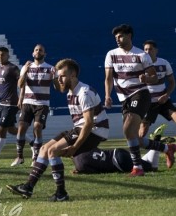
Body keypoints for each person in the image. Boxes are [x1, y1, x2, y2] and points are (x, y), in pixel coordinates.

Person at [6, 58, 109, 201]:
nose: (59, 79)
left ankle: (61, 193)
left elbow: (89, 123)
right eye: (58, 76)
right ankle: (28, 187)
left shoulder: (84, 93)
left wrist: (75, 147)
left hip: (95, 131)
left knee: (53, 151)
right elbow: (60, 89)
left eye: (62, 76)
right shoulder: (71, 91)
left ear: (73, 75)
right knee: (44, 149)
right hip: (80, 128)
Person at [104, 24, 175, 177]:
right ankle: (166, 148)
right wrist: (107, 96)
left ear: (129, 36)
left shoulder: (142, 55)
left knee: (127, 130)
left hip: (141, 94)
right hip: (124, 98)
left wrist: (147, 78)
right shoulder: (111, 54)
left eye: (121, 36)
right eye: (116, 37)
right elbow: (108, 78)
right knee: (135, 137)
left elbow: (154, 77)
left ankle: (138, 168)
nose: (117, 39)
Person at [12, 44, 55, 167]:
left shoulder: (50, 68)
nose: (38, 52)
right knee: (21, 128)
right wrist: (24, 72)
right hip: (27, 103)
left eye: (41, 50)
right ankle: (19, 157)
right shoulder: (26, 67)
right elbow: (20, 85)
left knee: (37, 127)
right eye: (36, 50)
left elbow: (57, 87)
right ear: (33, 53)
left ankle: (36, 158)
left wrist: (54, 77)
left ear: (44, 54)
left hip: (42, 104)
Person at [138, 40, 176, 170]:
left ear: (156, 50)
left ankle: (169, 150)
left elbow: (172, 82)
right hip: (148, 103)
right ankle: (139, 159)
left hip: (164, 101)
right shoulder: (141, 65)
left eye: (150, 49)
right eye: (145, 49)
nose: (147, 52)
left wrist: (166, 95)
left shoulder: (164, 63)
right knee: (142, 131)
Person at [72, 148, 155, 174]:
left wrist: (80, 171)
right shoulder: (85, 147)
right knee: (142, 163)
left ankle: (157, 143)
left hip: (118, 163)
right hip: (117, 151)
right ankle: (156, 146)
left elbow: (96, 172)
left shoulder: (79, 164)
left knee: (151, 167)